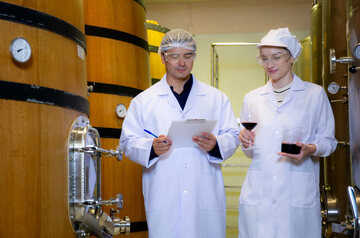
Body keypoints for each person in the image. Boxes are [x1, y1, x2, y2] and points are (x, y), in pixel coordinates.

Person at [119, 29, 240, 238]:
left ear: (194, 57)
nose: (181, 62)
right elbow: (128, 142)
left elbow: (233, 135)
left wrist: (216, 144)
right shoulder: (144, 101)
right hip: (164, 196)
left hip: (204, 193)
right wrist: (151, 148)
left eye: (187, 56)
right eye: (174, 56)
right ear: (163, 57)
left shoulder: (216, 98)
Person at [237, 27, 337, 238]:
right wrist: (245, 141)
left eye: (276, 57)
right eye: (264, 58)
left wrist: (310, 149)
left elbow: (329, 142)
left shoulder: (314, 94)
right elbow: (251, 152)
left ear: (292, 57)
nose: (269, 65)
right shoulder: (252, 98)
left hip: (297, 194)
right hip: (259, 195)